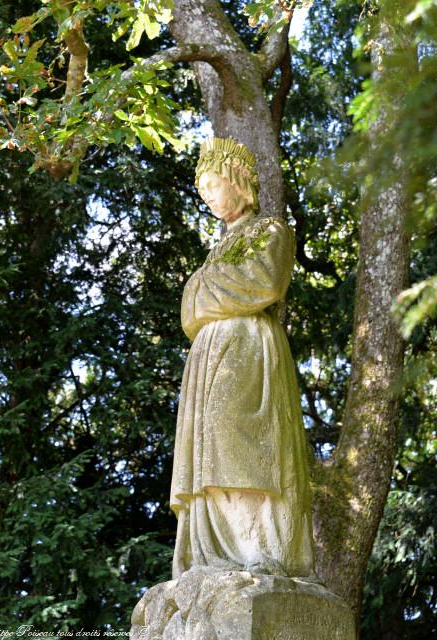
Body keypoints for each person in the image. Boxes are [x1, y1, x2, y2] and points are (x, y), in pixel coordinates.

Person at [170, 137, 315, 580]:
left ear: (237, 179)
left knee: (242, 437)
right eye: (203, 191)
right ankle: (215, 550)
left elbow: (263, 282)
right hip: (210, 355)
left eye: (213, 185)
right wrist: (206, 289)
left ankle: (259, 545)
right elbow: (187, 309)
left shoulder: (271, 230)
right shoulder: (217, 249)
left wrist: (204, 289)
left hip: (249, 350)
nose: (209, 197)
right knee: (209, 443)